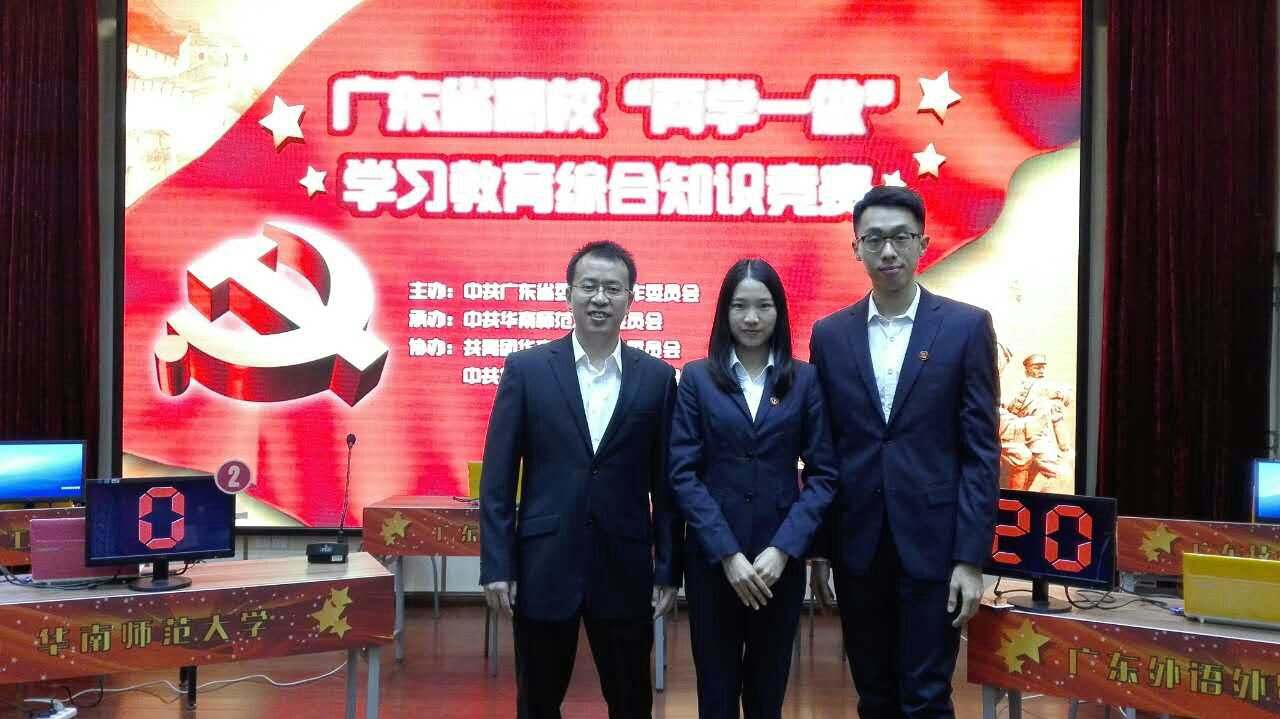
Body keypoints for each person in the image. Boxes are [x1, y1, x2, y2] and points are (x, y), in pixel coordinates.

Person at [809, 186, 999, 718]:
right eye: (874, 240)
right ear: (856, 248)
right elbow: (825, 451)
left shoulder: (965, 327)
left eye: (900, 237)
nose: (888, 251)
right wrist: (820, 549)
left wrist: (970, 559)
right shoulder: (830, 335)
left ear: (923, 243)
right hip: (858, 546)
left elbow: (981, 451)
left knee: (926, 697)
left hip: (934, 546)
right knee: (874, 696)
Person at [478, 241, 681, 719]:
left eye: (613, 288)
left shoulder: (656, 378)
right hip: (544, 568)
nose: (600, 298)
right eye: (589, 286)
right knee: (537, 703)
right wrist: (497, 564)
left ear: (630, 299)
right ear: (568, 294)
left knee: (631, 703)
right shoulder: (526, 370)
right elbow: (498, 478)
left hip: (625, 567)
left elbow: (667, 486)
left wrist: (669, 568)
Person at [668, 259, 838, 719]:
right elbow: (683, 473)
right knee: (716, 696)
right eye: (739, 306)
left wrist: (784, 550)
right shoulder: (697, 378)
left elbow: (823, 474)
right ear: (724, 312)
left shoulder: (804, 379)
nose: (751, 318)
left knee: (767, 696)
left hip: (777, 565)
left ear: (779, 312)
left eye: (763, 306)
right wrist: (728, 554)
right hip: (713, 564)